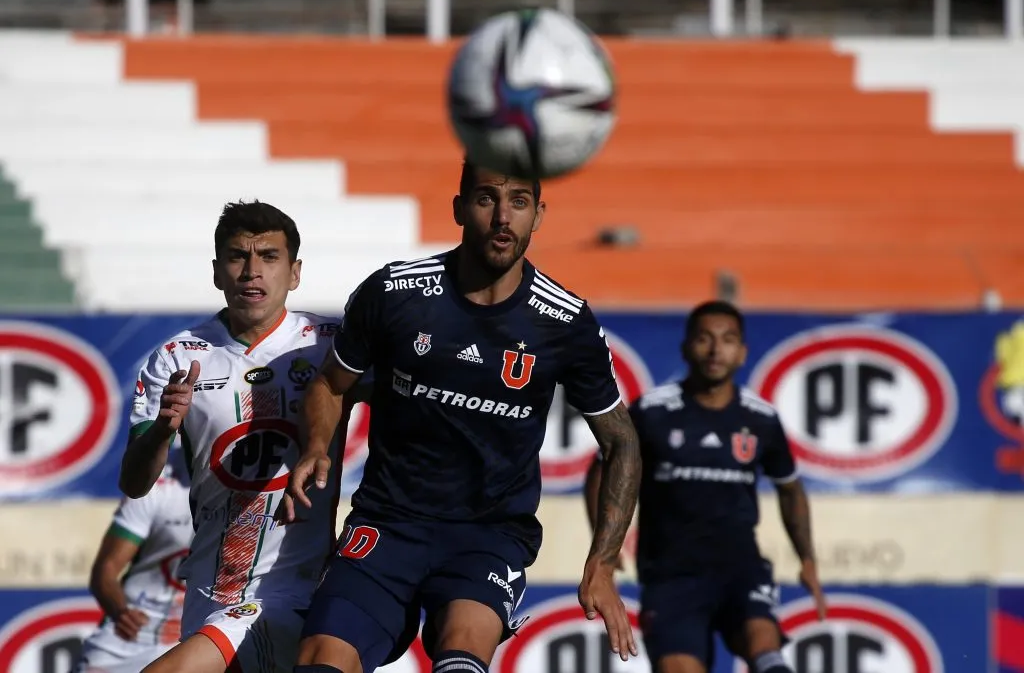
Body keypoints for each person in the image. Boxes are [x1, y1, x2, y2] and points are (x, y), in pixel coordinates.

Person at [277, 160, 643, 673]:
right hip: (388, 524)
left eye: (519, 202)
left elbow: (621, 442)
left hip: (489, 536)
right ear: (459, 208)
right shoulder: (394, 293)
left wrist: (601, 562)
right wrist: (317, 446)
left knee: (461, 658)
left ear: (539, 215)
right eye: (486, 198)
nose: (502, 217)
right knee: (319, 663)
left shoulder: (565, 322)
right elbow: (330, 385)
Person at [118, 200, 353, 673]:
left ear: (295, 272)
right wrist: (163, 430)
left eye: (269, 256)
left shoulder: (329, 342)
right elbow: (134, 483)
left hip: (293, 586)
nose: (251, 271)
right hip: (210, 589)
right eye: (237, 257)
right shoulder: (177, 357)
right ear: (216, 272)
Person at [585, 300, 827, 673]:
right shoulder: (652, 412)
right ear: (686, 348)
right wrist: (604, 546)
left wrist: (807, 558)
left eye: (728, 340)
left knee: (764, 645)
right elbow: (602, 469)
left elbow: (790, 488)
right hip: (671, 575)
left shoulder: (761, 419)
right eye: (704, 339)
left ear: (742, 352)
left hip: (741, 567)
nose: (716, 350)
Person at [74, 448, 192, 673]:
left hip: (201, 635)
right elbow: (106, 570)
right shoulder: (157, 484)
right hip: (134, 635)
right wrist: (122, 612)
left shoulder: (250, 488)